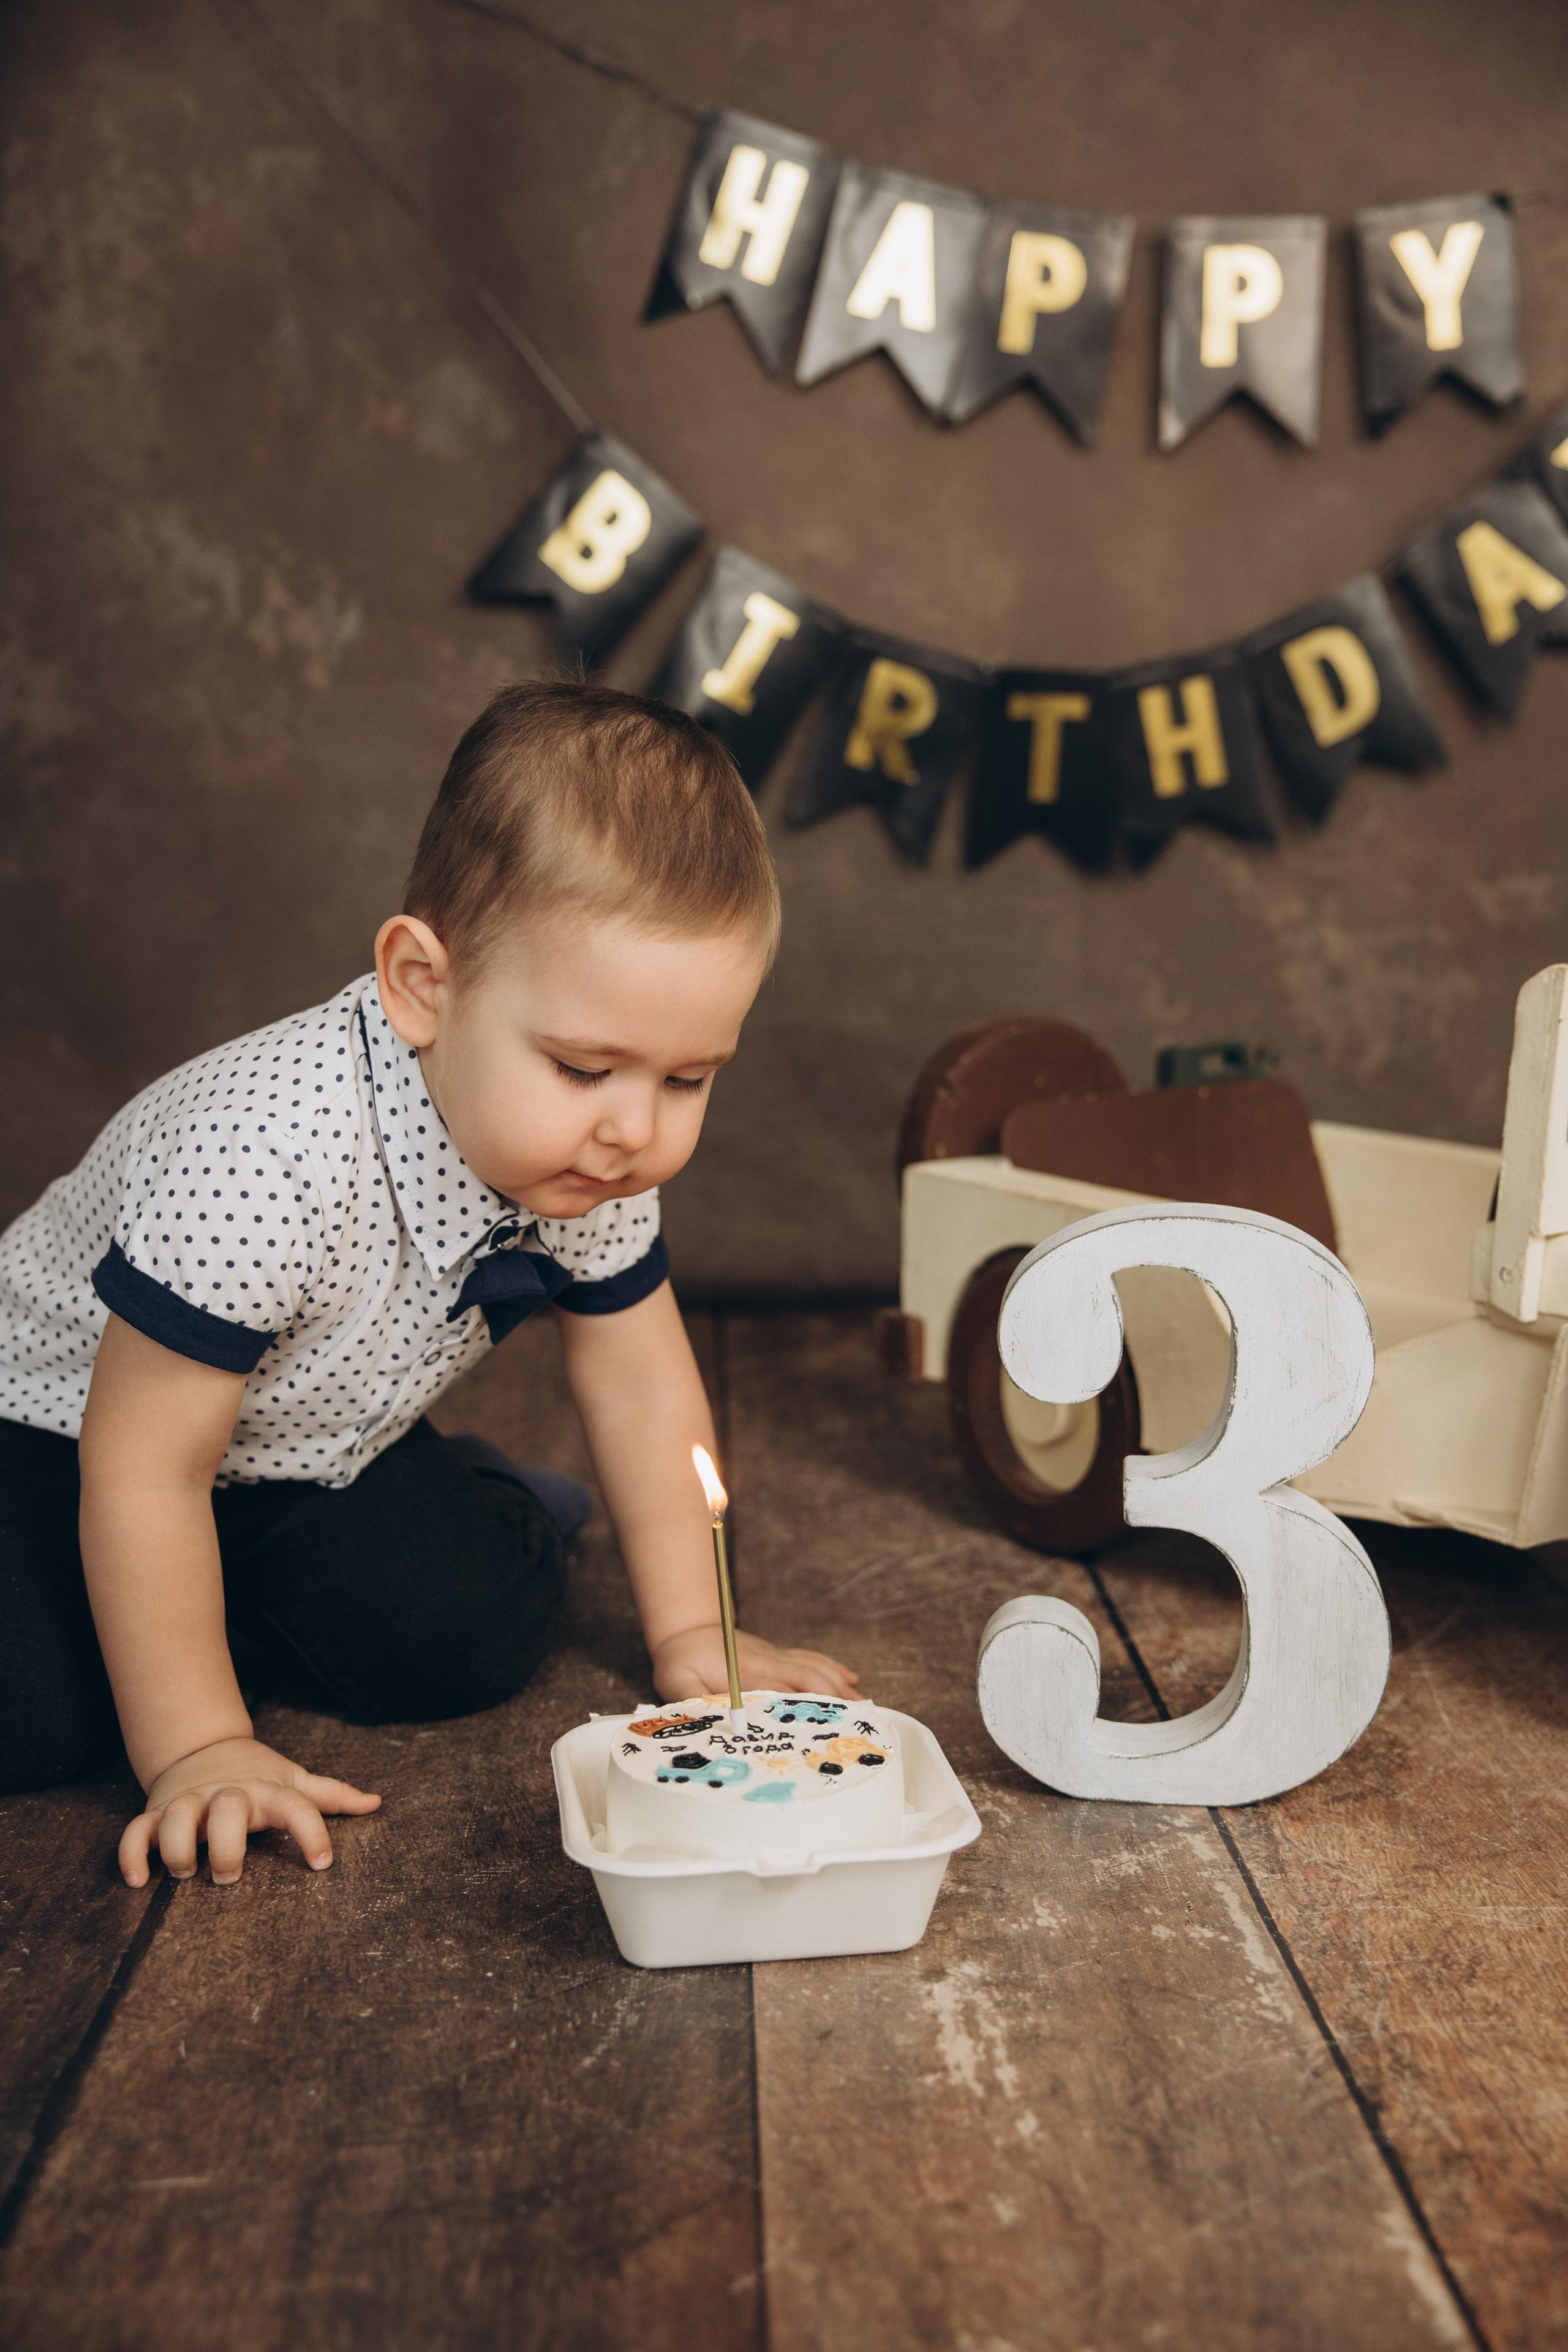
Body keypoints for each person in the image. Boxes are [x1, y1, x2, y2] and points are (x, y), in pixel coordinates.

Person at [0, 680, 856, 1886]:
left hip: (299, 1445)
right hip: (66, 1435)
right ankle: (174, 1634)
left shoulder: (587, 1156)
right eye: (583, 1065)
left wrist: (688, 1634)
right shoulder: (261, 1154)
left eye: (687, 1080)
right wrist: (199, 1744)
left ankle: (451, 1511)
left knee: (466, 1635)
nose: (633, 1131)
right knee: (37, 1718)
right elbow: (144, 1465)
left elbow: (639, 1384)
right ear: (421, 985)